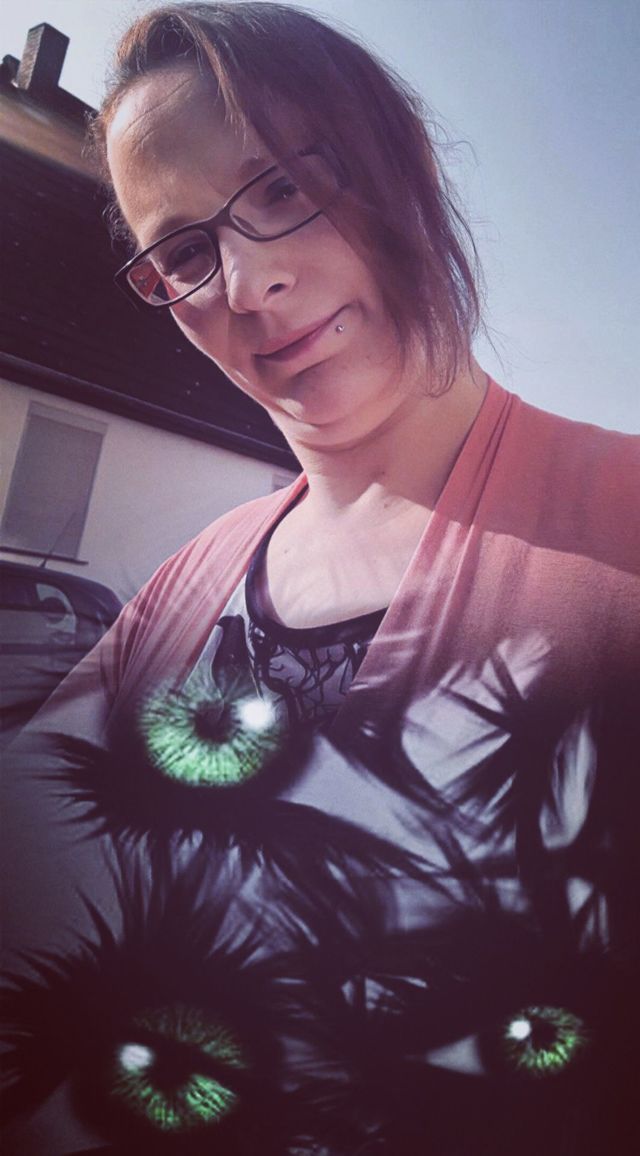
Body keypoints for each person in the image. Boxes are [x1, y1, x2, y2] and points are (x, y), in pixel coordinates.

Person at [2, 4, 639, 1155]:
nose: (246, 285)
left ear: (406, 167)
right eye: (184, 254)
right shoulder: (186, 587)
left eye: (283, 188)